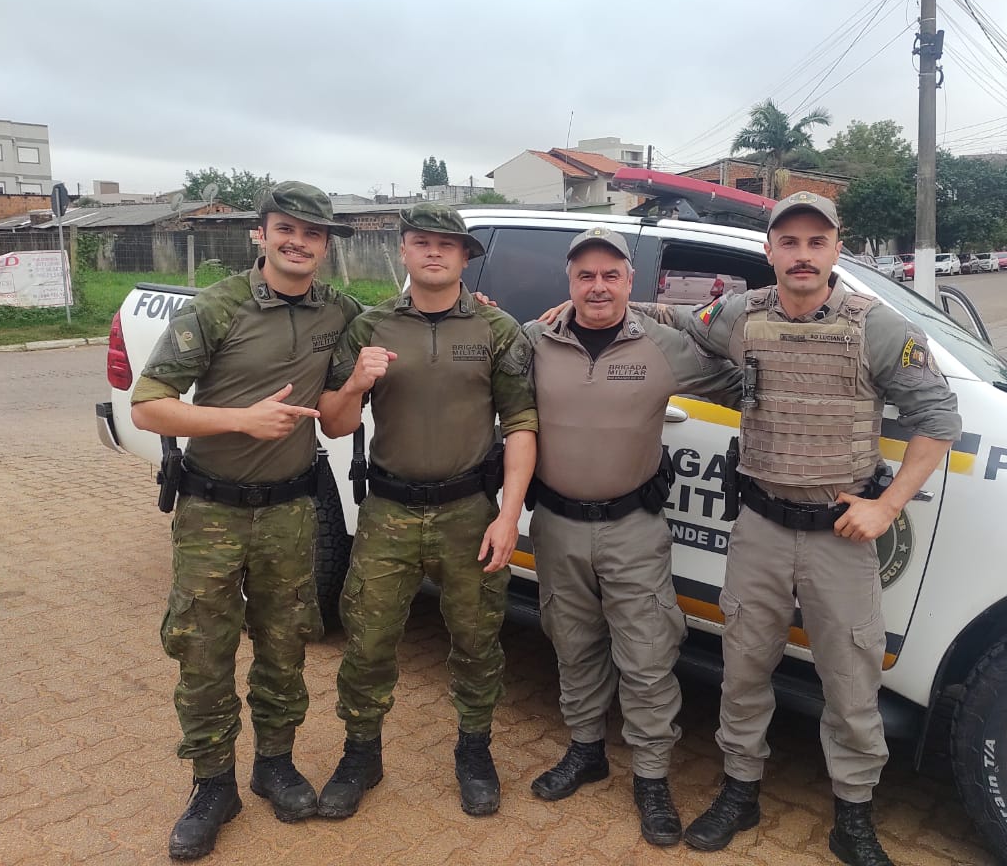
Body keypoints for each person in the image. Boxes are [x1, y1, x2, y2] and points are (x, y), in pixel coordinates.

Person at [641, 192, 961, 866]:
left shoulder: (877, 327)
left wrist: (887, 505)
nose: (803, 254)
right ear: (770, 252)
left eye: (817, 242)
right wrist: (597, 307)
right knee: (744, 669)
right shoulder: (740, 314)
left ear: (837, 249)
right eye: (789, 242)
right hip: (757, 525)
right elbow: (678, 320)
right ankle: (740, 791)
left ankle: (853, 817)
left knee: (850, 682)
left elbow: (939, 420)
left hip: (837, 536)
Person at [130, 182, 363, 861]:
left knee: (287, 645)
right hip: (212, 509)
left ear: (325, 246)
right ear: (260, 233)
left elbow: (397, 330)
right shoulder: (218, 308)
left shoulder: (340, 312)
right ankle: (211, 786)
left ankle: (275, 764)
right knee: (202, 651)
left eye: (313, 233)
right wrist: (241, 419)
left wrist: (483, 307)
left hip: (291, 510)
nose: (299, 241)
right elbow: (149, 405)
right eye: (286, 228)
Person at [315, 202, 537, 821]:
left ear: (466, 256)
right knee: (367, 640)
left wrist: (507, 514)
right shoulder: (370, 327)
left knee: (477, 639)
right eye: (421, 242)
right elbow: (334, 425)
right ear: (404, 252)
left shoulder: (497, 331)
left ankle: (474, 751)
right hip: (388, 510)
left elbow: (521, 423)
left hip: (470, 508)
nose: (434, 253)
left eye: (448, 244)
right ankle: (361, 754)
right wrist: (357, 383)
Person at [522, 227, 741, 847]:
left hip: (633, 529)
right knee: (573, 645)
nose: (598, 287)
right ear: (569, 283)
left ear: (628, 282)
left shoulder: (664, 345)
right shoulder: (534, 342)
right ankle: (586, 751)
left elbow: (745, 382)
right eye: (585, 276)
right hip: (557, 526)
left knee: (647, 658)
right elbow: (476, 361)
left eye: (610, 275)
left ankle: (650, 778)